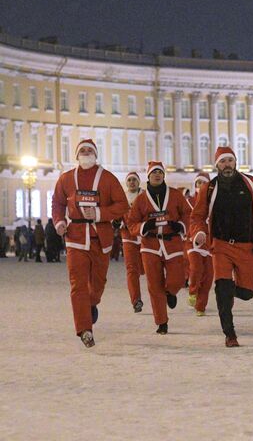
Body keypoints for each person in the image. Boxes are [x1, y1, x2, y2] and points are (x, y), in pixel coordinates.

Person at [190, 147, 253, 347]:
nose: (227, 165)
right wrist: (199, 232)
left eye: (230, 160)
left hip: (247, 246)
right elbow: (197, 216)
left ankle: (227, 292)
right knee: (223, 287)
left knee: (246, 293)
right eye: (222, 161)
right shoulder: (209, 187)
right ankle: (230, 333)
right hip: (221, 245)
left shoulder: (250, 183)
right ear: (217, 165)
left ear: (235, 162)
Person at [52, 139, 129, 347]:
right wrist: (59, 222)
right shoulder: (66, 179)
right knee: (78, 285)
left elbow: (122, 205)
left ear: (95, 154)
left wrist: (99, 213)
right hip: (75, 238)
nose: (86, 153)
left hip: (100, 239)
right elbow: (58, 203)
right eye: (82, 151)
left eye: (89, 150)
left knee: (97, 284)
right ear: (76, 155)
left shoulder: (107, 179)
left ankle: (92, 303)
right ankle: (84, 330)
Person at [126, 162, 191, 335]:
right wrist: (143, 226)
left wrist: (181, 226)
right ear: (148, 176)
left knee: (178, 278)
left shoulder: (176, 195)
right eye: (153, 172)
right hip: (150, 246)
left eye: (160, 172)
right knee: (154, 285)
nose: (157, 175)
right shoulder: (141, 199)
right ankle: (161, 322)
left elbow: (187, 213)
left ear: (163, 176)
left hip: (172, 242)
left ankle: (171, 292)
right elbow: (131, 222)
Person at [185, 172, 215, 316]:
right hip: (192, 240)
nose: (200, 186)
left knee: (209, 276)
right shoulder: (188, 201)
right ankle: (192, 292)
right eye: (198, 183)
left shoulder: (214, 202)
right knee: (196, 268)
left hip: (210, 242)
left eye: (203, 183)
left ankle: (201, 306)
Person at [121, 171, 146, 313]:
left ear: (138, 182)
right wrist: (119, 222)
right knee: (131, 269)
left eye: (134, 180)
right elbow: (116, 214)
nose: (132, 182)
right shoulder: (122, 198)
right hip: (128, 237)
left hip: (144, 237)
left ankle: (160, 294)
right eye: (129, 180)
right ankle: (136, 300)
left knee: (148, 268)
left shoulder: (145, 197)